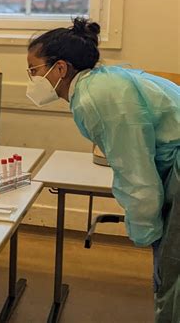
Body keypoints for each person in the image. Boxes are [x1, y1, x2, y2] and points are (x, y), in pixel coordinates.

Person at [26, 17, 179, 323]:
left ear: (60, 69)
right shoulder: (100, 83)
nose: (31, 79)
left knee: (173, 274)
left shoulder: (97, 96)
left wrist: (146, 229)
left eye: (34, 70)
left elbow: (136, 172)